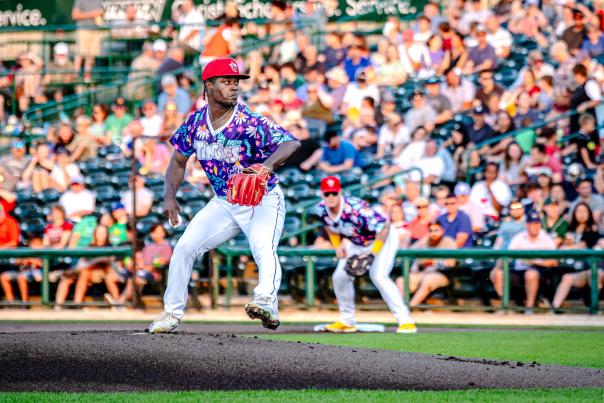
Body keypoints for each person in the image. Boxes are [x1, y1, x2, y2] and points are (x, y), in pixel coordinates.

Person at [148, 58, 300, 333]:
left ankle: (265, 301)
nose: (233, 87)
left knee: (263, 248)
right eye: (226, 81)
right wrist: (169, 195)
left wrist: (266, 166)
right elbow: (178, 162)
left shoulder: (248, 121)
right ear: (208, 86)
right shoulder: (195, 123)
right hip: (225, 201)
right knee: (184, 248)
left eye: (236, 82)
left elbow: (291, 142)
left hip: (262, 199)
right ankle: (171, 314)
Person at [316, 176, 416, 334]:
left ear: (340, 192)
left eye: (334, 193)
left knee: (379, 276)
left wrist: (372, 254)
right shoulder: (321, 208)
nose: (331, 197)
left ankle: (406, 321)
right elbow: (329, 227)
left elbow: (385, 227)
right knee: (340, 277)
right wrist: (337, 245)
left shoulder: (356, 208)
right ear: (322, 194)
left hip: (384, 238)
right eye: (327, 193)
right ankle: (347, 321)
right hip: (357, 242)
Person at [490, 211, 558, 314]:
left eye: (537, 223)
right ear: (527, 225)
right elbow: (507, 255)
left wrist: (535, 262)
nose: (534, 226)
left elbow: (554, 261)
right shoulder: (519, 237)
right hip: (519, 270)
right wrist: (496, 268)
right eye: (532, 223)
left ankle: (529, 308)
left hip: (540, 272)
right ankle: (505, 306)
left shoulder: (546, 238)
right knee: (498, 274)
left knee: (530, 274)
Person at [552, 202, 602, 310]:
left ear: (589, 214)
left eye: (584, 211)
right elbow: (561, 247)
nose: (581, 214)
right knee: (566, 277)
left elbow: (584, 245)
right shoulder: (570, 230)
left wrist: (570, 247)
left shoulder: (593, 230)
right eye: (579, 211)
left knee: (595, 274)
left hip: (591, 269)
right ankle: (554, 308)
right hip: (573, 268)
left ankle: (594, 309)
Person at [397, 221, 457, 306]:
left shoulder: (448, 241)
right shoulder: (425, 241)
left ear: (442, 231)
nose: (433, 233)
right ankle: (401, 307)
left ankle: (410, 307)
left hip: (441, 274)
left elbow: (451, 263)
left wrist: (433, 262)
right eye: (431, 230)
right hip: (423, 272)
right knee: (401, 280)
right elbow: (410, 251)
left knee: (428, 280)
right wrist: (423, 241)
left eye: (436, 230)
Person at [71, 0, 104, 79]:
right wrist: (93, 14)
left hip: (95, 30)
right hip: (83, 30)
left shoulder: (98, 1)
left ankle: (87, 77)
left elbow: (100, 15)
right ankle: (75, 76)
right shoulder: (80, 1)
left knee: (91, 56)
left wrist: (100, 16)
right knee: (80, 54)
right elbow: (75, 15)